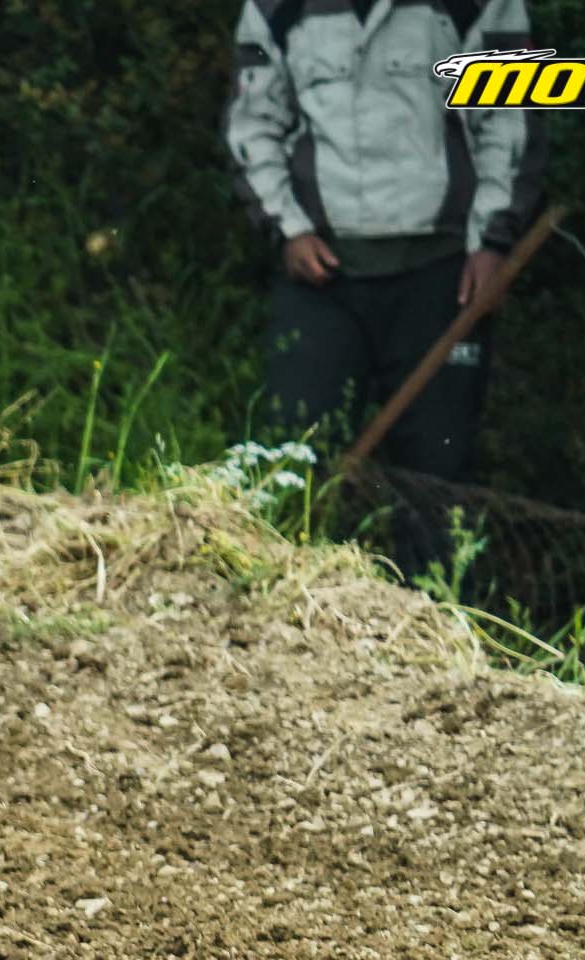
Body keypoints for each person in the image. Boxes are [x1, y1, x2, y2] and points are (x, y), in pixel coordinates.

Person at [225, 0, 544, 575]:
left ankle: (436, 615)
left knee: (439, 476)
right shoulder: (273, 7)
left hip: (442, 277)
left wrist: (493, 242)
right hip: (320, 277)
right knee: (290, 456)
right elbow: (253, 125)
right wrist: (288, 229)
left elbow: (508, 118)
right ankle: (284, 602)